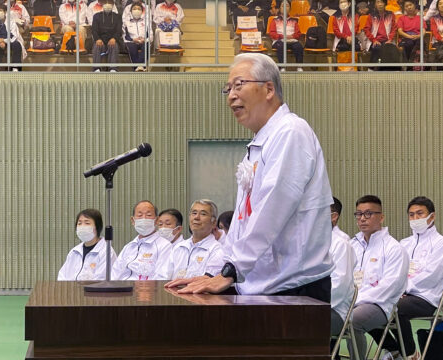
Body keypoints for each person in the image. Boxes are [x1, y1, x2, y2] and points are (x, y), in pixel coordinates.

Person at [166, 53, 334, 304]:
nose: (231, 95)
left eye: (238, 85)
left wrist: (232, 271)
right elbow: (242, 223)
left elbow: (272, 210)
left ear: (268, 89)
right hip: (261, 285)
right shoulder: (260, 142)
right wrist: (214, 271)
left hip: (293, 288)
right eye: (228, 88)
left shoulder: (290, 132)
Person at [373, 196, 443, 359]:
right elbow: (391, 270)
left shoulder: (441, 244)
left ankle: (409, 354)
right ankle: (394, 350)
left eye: (420, 214)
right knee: (369, 307)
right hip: (400, 295)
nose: (415, 218)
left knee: (395, 308)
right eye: (411, 215)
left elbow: (431, 276)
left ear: (432, 216)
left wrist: (402, 289)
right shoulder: (404, 243)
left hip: (426, 298)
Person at [349, 195, 409, 360]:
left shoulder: (393, 248)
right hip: (351, 301)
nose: (362, 218)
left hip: (380, 304)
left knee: (353, 321)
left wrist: (357, 300)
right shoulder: (352, 245)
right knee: (321, 316)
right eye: (359, 214)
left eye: (368, 214)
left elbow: (390, 286)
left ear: (381, 217)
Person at [156, 200, 226, 280]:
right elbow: (163, 276)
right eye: (194, 213)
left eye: (203, 214)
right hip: (172, 291)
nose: (196, 217)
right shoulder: (179, 247)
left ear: (213, 223)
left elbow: (209, 281)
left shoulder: (217, 250)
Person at [111, 200, 173, 280]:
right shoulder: (129, 247)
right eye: (140, 215)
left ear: (156, 220)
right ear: (133, 221)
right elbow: (114, 274)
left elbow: (162, 278)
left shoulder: (164, 246)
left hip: (146, 290)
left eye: (148, 215)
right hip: (122, 290)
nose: (144, 218)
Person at [57, 208, 118, 281]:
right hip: (71, 291)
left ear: (97, 227)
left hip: (94, 292)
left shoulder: (106, 252)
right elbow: (62, 276)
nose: (82, 227)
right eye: (79, 223)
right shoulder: (74, 252)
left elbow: (101, 280)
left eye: (87, 223)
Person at [329, 197, 357, 338]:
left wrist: (311, 305)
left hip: (335, 310)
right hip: (312, 306)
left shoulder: (341, 244)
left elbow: (339, 286)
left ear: (333, 217)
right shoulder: (309, 242)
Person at [0, 3, 26, 71]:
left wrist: (4, 40)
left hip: (9, 40)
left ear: (5, 12)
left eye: (0, 10)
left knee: (16, 44)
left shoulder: (11, 22)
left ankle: (15, 67)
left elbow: (14, 35)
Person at [268, 1, 303, 71]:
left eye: (287, 6)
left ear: (290, 8)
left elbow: (298, 34)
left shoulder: (294, 21)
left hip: (292, 40)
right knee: (281, 45)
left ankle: (299, 67)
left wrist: (292, 36)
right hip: (279, 41)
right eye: (282, 6)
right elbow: (272, 33)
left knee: (298, 46)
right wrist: (282, 36)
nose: (284, 8)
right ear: (280, 8)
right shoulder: (274, 20)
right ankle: (282, 67)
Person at [364, 0, 398, 65]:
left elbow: (394, 28)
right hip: (375, 41)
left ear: (385, 4)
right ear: (375, 4)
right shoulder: (371, 15)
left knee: (390, 49)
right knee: (377, 48)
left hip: (388, 41)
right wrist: (373, 40)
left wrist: (390, 39)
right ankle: (372, 69)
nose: (380, 4)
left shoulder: (390, 14)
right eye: (378, 2)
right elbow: (366, 29)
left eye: (382, 2)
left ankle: (389, 70)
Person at [91, 0, 122, 72]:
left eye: (110, 3)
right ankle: (96, 69)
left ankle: (113, 69)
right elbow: (94, 30)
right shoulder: (96, 16)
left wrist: (114, 38)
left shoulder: (117, 17)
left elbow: (119, 30)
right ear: (102, 4)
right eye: (105, 3)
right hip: (100, 39)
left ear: (113, 5)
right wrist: (97, 39)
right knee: (97, 46)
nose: (107, 5)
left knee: (114, 45)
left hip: (112, 39)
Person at [123, 2, 152, 71]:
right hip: (131, 41)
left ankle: (141, 66)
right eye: (134, 9)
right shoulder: (126, 22)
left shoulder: (146, 22)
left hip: (143, 41)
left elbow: (150, 35)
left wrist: (145, 39)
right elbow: (124, 36)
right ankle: (136, 67)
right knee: (131, 46)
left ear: (142, 11)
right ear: (131, 11)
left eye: (139, 9)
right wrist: (133, 40)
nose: (137, 10)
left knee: (147, 45)